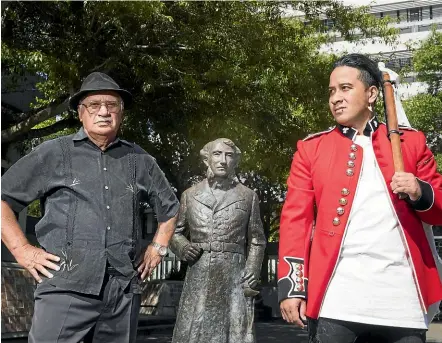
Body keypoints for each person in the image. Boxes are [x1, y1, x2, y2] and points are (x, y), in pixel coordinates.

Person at [1, 72, 179, 343]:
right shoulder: (54, 153)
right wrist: (23, 251)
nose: (104, 111)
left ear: (121, 113)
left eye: (112, 105)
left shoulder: (139, 159)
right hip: (65, 285)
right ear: (81, 113)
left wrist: (158, 248)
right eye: (94, 105)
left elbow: (170, 209)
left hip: (121, 290)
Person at [277, 54, 442, 343]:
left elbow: (439, 211)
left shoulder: (411, 144)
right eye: (331, 91)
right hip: (337, 298)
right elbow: (295, 222)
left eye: (345, 88)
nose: (335, 98)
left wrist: (419, 191)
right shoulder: (311, 149)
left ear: (372, 94)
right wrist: (292, 289)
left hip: (402, 300)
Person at [169, 138, 266, 343]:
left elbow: (257, 239)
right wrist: (183, 247)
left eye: (229, 155)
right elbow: (174, 233)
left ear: (235, 161)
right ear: (207, 160)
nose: (223, 160)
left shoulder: (248, 196)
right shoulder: (190, 195)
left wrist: (252, 270)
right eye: (217, 154)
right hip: (200, 271)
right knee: (194, 331)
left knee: (234, 333)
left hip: (234, 273)